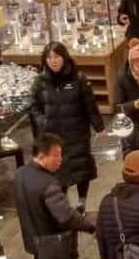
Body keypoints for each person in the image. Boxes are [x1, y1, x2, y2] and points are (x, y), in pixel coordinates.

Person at [12, 133, 95, 259]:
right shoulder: (48, 184)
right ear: (41, 156)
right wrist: (91, 226)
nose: (61, 159)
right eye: (56, 155)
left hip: (33, 239)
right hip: (54, 244)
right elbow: (66, 217)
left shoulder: (21, 173)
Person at [31, 42, 104, 209]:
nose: (53, 61)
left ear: (64, 57)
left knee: (81, 169)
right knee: (58, 171)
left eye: (56, 56)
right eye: (49, 57)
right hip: (54, 136)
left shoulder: (79, 79)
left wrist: (99, 127)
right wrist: (43, 123)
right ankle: (63, 206)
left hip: (77, 132)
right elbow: (34, 107)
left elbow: (90, 105)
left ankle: (82, 202)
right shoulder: (39, 82)